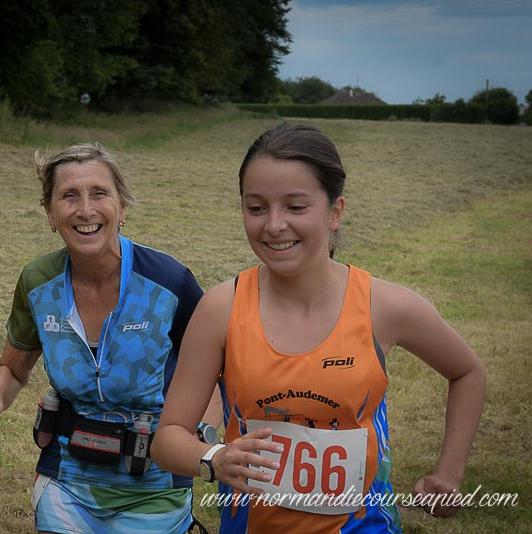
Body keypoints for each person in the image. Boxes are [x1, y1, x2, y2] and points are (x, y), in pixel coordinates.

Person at [151, 123, 486, 532]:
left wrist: (449, 473)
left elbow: (467, 371)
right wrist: (213, 458)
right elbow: (168, 439)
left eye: (296, 207)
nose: (274, 225)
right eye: (256, 208)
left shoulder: (383, 306)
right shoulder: (221, 308)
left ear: (335, 212)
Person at [0, 142, 220, 534]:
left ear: (122, 207)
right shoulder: (37, 282)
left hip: (154, 480)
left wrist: (200, 441)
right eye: (69, 196)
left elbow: (216, 370)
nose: (85, 210)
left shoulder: (169, 282)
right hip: (65, 476)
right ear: (49, 212)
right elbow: (12, 370)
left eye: (99, 193)